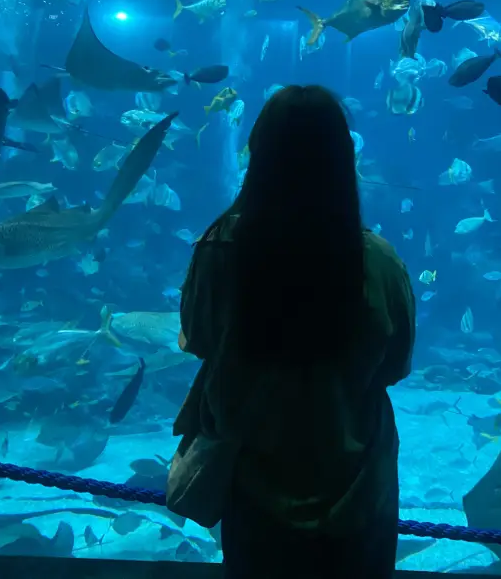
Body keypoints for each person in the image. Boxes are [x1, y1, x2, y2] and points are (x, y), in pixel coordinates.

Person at [174, 84, 415, 578]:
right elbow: (395, 366)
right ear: (342, 160)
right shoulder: (378, 261)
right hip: (357, 486)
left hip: (254, 482)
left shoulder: (218, 252)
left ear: (259, 154)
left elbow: (197, 342)